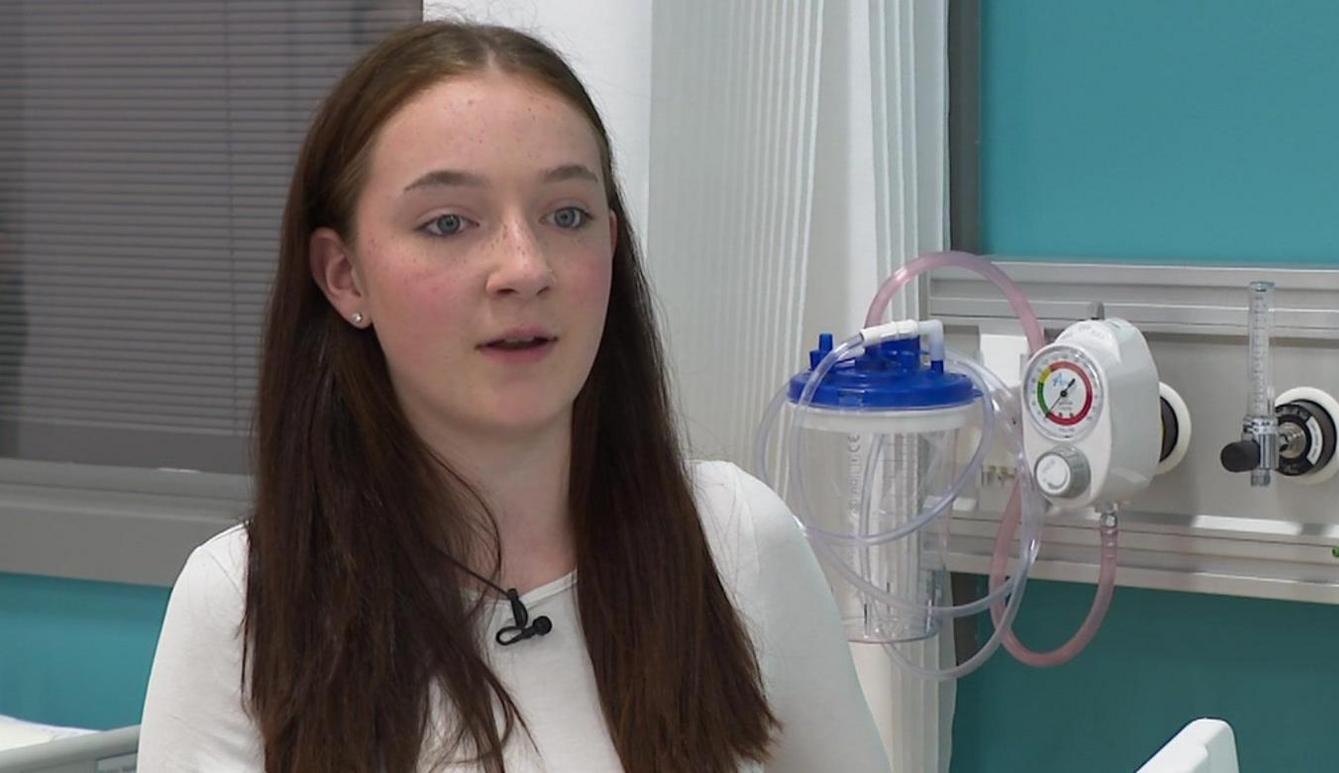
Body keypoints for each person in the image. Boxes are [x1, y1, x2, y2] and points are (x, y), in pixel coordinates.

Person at [138, 20, 888, 773]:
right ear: (344, 276)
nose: (525, 268)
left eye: (566, 215)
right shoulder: (243, 604)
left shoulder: (736, 541)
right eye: (448, 223)